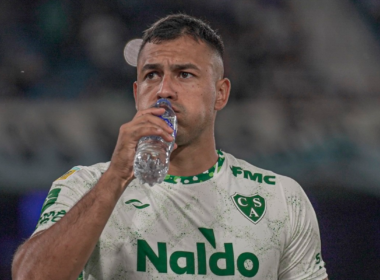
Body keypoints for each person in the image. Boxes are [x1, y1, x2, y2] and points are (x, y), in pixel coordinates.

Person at [12, 14, 328, 280]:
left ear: (220, 93)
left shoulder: (280, 199)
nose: (164, 90)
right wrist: (115, 177)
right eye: (152, 75)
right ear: (137, 93)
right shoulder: (83, 186)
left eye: (184, 74)